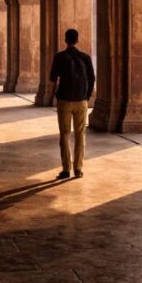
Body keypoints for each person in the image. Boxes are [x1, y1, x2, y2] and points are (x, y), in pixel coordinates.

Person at [49, 28, 95, 179]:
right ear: (77, 40)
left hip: (64, 101)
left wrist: (53, 93)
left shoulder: (60, 57)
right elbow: (92, 78)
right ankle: (78, 168)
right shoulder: (85, 57)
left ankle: (66, 169)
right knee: (80, 135)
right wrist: (86, 97)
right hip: (81, 101)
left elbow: (52, 78)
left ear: (65, 40)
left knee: (65, 135)